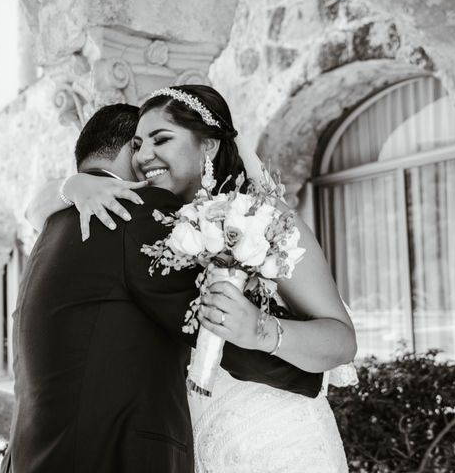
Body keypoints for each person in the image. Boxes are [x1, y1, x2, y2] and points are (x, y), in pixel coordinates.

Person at [25, 85, 357, 472]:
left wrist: (260, 330)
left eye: (160, 139)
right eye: (136, 145)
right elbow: (35, 212)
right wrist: (75, 184)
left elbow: (342, 340)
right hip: (196, 445)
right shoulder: (157, 228)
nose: (144, 155)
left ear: (209, 146)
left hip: (276, 438)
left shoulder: (265, 219)